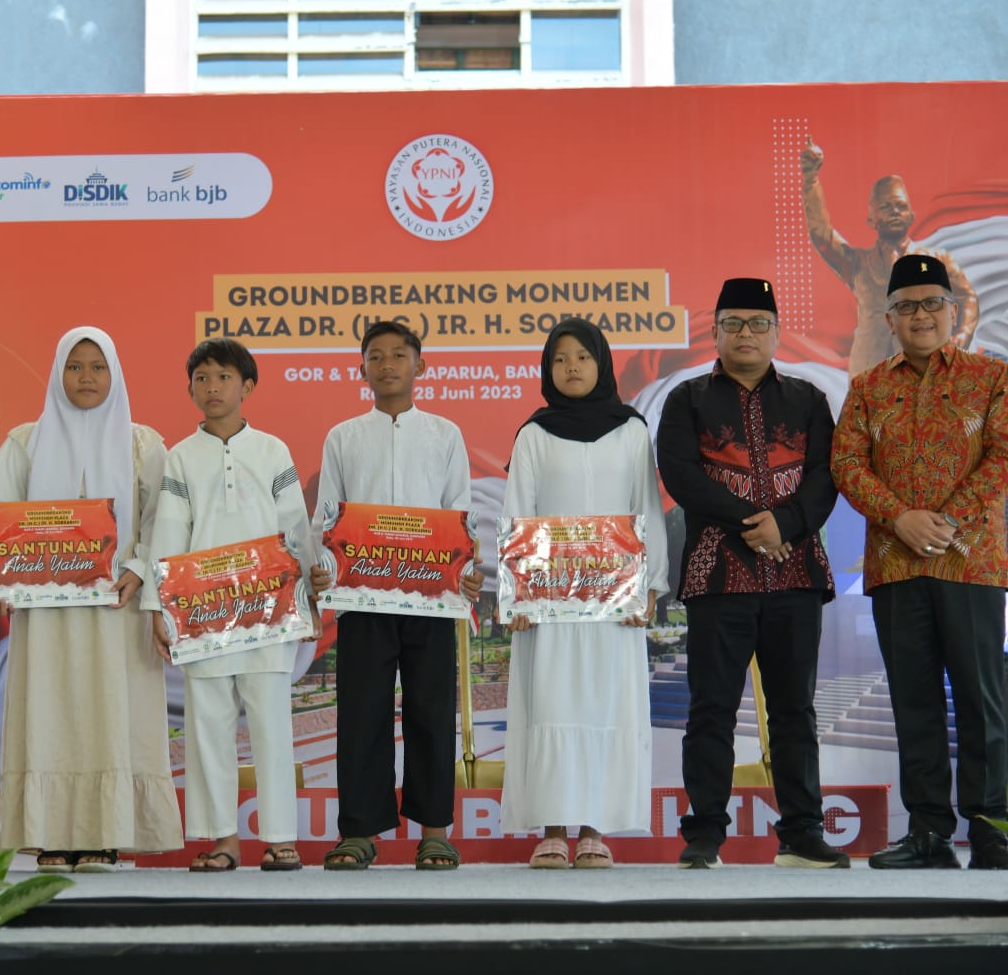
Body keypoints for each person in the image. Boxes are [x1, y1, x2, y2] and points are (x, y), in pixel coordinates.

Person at [831, 253, 1008, 870]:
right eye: (908, 306)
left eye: (931, 303)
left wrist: (942, 522)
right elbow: (846, 465)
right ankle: (928, 832)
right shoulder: (867, 387)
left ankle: (991, 828)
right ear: (889, 318)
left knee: (980, 698)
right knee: (912, 701)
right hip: (896, 566)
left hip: (971, 564)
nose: (921, 316)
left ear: (953, 310)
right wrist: (900, 518)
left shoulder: (991, 376)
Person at [657, 278, 846, 870]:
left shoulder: (809, 399)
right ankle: (706, 833)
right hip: (719, 575)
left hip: (795, 575)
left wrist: (785, 527)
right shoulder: (686, 399)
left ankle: (802, 832)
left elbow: (826, 476)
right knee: (710, 709)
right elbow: (680, 475)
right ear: (715, 332)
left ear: (776, 332)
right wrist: (752, 520)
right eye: (734, 323)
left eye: (758, 323)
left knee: (796, 710)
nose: (746, 334)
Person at [0, 326, 181, 872]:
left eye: (98, 366)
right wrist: (0, 580)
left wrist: (141, 572)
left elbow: (158, 520)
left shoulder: (143, 443)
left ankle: (106, 831)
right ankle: (50, 834)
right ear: (57, 374)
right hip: (47, 613)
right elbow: (3, 517)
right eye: (75, 367)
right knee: (49, 710)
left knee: (112, 713)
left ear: (114, 373)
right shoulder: (25, 441)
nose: (87, 378)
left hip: (118, 607)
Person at [310, 320, 482, 871]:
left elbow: (462, 513)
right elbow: (325, 519)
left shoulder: (445, 434)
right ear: (361, 368)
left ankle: (435, 831)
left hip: (431, 599)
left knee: (433, 710)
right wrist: (321, 567)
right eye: (376, 356)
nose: (387, 365)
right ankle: (360, 832)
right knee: (362, 712)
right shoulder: (342, 437)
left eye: (399, 355)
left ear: (420, 366)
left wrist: (468, 569)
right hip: (363, 600)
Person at [500, 320, 668, 870]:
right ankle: (551, 827)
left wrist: (650, 587)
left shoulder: (632, 430)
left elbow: (647, 507)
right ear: (547, 371)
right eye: (559, 359)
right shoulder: (533, 434)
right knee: (551, 700)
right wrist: (515, 596)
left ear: (603, 364)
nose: (571, 367)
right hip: (548, 606)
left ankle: (595, 828)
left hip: (615, 604)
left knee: (604, 702)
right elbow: (516, 513)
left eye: (582, 357)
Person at [148, 338, 314, 872]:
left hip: (269, 609)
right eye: (202, 378)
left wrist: (306, 601)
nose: (212, 387)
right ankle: (221, 838)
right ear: (191, 388)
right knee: (207, 725)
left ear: (248, 386)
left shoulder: (273, 451)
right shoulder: (180, 456)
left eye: (223, 377)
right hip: (202, 612)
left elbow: (296, 529)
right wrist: (158, 605)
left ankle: (281, 838)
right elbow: (169, 531)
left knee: (272, 723)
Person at [801, 137, 979, 376]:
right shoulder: (858, 264)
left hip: (927, 374)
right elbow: (822, 236)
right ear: (871, 220)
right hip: (871, 377)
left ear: (912, 215)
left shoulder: (937, 262)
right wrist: (811, 179)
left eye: (900, 206)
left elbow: (968, 298)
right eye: (885, 207)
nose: (894, 211)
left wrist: (961, 338)